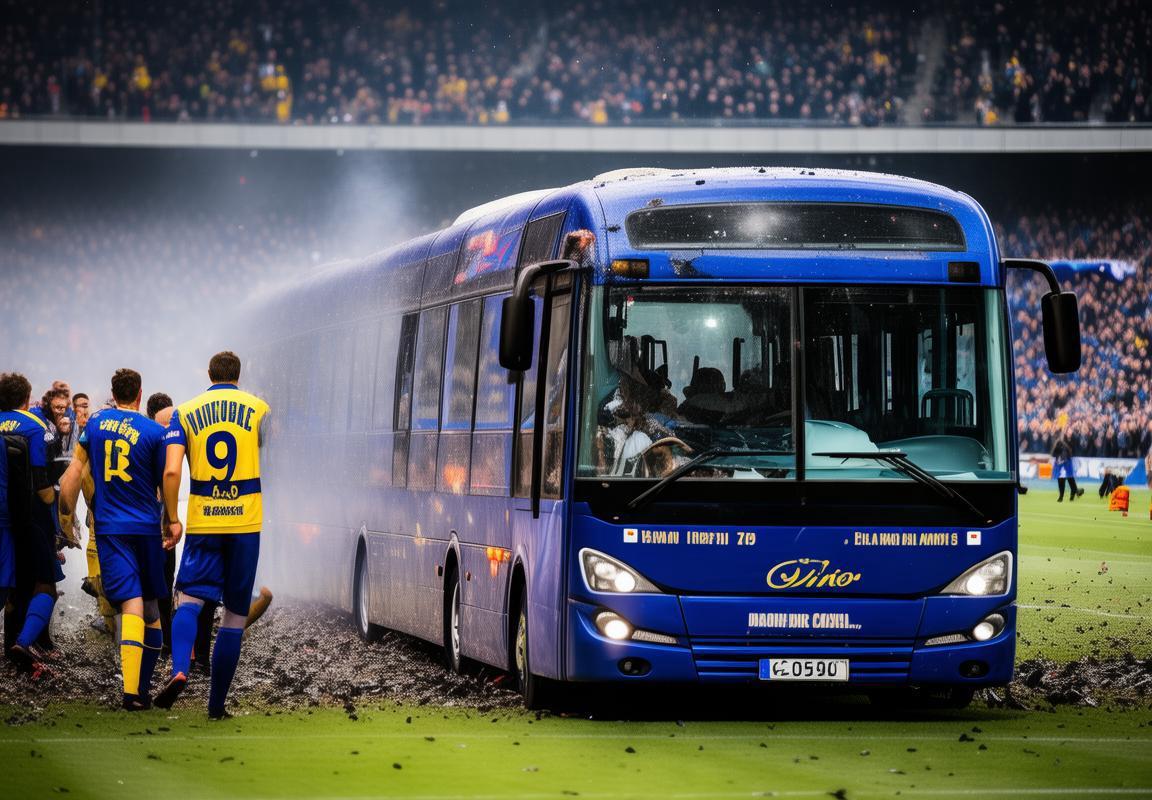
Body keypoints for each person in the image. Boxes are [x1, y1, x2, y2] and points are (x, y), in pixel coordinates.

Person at [156, 351, 270, 718]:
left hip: (205, 521)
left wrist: (173, 518)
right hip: (245, 524)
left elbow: (171, 471)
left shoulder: (184, 413)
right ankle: (217, 705)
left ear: (209, 374)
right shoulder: (259, 410)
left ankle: (179, 669)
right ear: (239, 374)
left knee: (188, 599)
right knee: (234, 616)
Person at [59, 368, 168, 710]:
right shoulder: (154, 431)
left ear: (113, 392)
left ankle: (136, 690)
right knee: (148, 607)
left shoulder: (95, 425)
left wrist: (65, 519)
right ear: (139, 394)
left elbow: (73, 474)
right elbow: (165, 482)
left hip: (110, 528)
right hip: (146, 527)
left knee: (133, 605)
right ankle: (136, 691)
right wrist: (171, 520)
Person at [0, 372, 62, 670]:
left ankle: (12, 646)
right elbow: (41, 484)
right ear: (26, 399)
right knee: (44, 583)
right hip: (27, 517)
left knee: (12, 585)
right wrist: (59, 505)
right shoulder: (36, 426)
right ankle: (23, 643)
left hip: (4, 518)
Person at [1050, 423, 1084, 502]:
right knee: (1061, 478)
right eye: (1067, 430)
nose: (1069, 431)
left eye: (1070, 430)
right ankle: (1068, 493)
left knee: (1069, 477)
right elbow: (1054, 450)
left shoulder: (1073, 438)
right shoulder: (1058, 438)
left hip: (1067, 460)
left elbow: (1074, 447)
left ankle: (1073, 492)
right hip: (1060, 460)